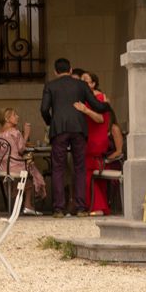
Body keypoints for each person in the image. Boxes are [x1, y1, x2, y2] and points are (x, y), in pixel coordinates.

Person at [40, 57, 111, 216]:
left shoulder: (50, 85)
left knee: (58, 168)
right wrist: (107, 104)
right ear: (70, 70)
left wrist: (51, 122)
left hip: (59, 130)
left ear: (55, 71)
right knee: (80, 167)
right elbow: (96, 105)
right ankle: (80, 207)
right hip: (79, 128)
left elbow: (44, 109)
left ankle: (58, 208)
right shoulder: (81, 85)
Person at [0, 107, 47, 215]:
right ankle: (27, 204)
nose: (17, 117)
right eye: (14, 115)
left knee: (28, 170)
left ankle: (19, 203)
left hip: (1, 167)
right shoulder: (15, 132)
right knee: (31, 170)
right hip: (14, 165)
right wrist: (26, 134)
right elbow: (21, 149)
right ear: (7, 118)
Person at [77, 70, 116, 216]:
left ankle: (97, 207)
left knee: (86, 174)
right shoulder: (87, 98)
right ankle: (97, 205)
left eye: (86, 80)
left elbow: (100, 119)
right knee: (90, 174)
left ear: (93, 84)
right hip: (89, 138)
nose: (83, 82)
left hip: (95, 139)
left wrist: (86, 110)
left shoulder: (99, 97)